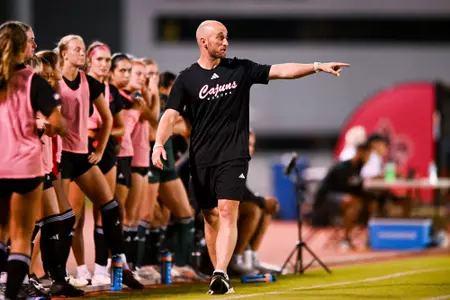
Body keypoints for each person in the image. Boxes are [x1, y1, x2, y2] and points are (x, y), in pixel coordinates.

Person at [152, 19, 349, 295]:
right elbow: (170, 115)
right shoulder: (187, 78)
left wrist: (316, 66)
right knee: (210, 217)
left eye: (227, 37)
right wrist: (158, 143)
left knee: (226, 211)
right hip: (202, 158)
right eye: (220, 37)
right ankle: (216, 271)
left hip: (233, 155)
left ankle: (221, 272)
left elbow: (281, 71)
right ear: (203, 41)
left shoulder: (240, 69)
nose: (226, 42)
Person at [0, 21, 66, 300]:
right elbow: (58, 123)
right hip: (25, 167)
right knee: (21, 238)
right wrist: (45, 127)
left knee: (2, 233)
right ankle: (11, 294)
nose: (35, 46)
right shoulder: (32, 80)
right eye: (30, 41)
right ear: (19, 45)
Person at [229, 130, 280, 276]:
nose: (250, 148)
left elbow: (244, 191)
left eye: (252, 145)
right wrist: (262, 201)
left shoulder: (241, 162)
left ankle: (251, 258)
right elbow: (238, 191)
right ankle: (235, 259)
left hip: (227, 204)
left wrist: (263, 202)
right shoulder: (231, 160)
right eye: (247, 144)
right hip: (207, 206)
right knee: (253, 209)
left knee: (263, 209)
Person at [312, 142, 372, 249]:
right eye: (367, 155)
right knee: (351, 201)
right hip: (326, 198)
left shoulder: (358, 168)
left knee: (365, 203)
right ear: (360, 153)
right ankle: (346, 239)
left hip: (344, 199)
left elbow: (356, 188)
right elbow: (342, 188)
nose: (368, 158)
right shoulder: (342, 167)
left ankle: (366, 238)